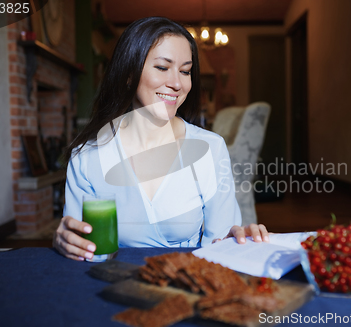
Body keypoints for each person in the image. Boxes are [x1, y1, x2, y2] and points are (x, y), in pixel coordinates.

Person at [53, 17, 270, 261]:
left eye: (185, 71)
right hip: (114, 285)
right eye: (162, 67)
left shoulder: (210, 148)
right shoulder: (88, 156)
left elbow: (219, 245)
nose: (177, 83)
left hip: (188, 285)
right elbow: (85, 253)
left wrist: (237, 239)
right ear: (129, 73)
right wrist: (66, 241)